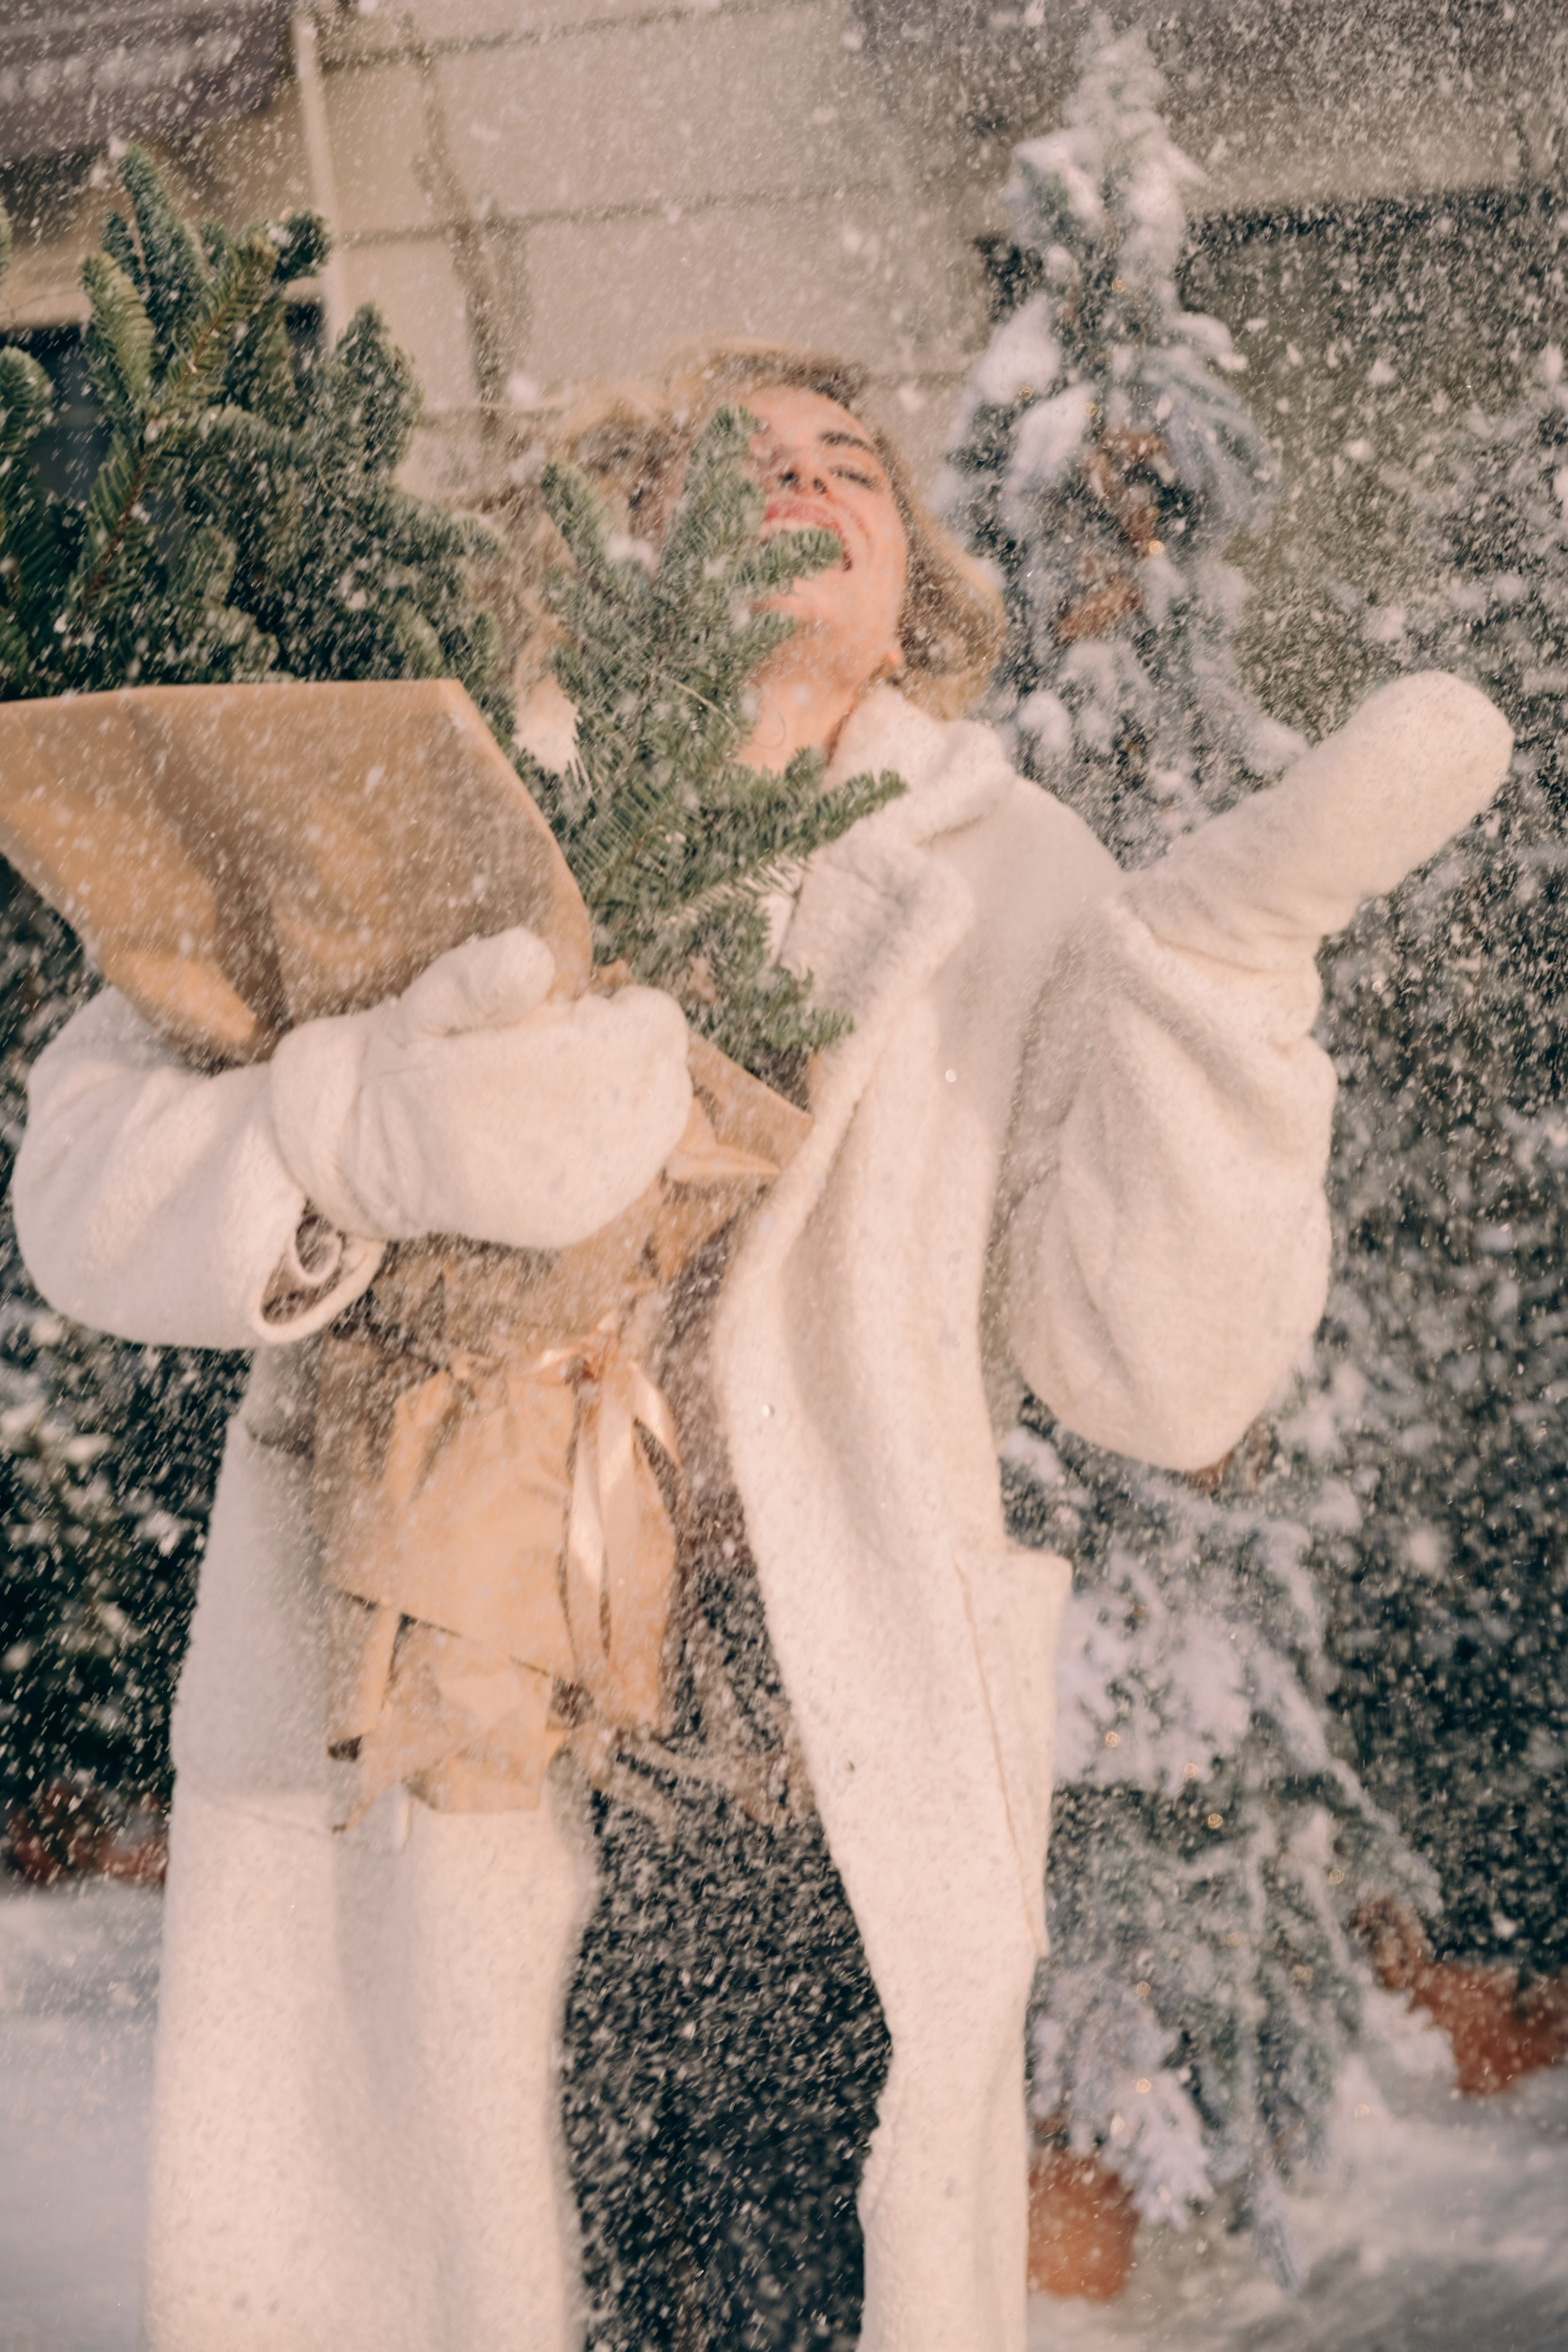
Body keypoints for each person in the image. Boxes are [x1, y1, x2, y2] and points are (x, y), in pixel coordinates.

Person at [12, 342, 1510, 2352]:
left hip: (816, 1769)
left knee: (796, 2294)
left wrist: (1222, 1000)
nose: (804, 484)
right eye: (732, 465)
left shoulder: (1013, 885)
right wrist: (354, 1126)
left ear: (916, 587)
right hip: (435, 1734)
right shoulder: (417, 793)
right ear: (618, 549)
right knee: (444, 2269)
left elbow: (1167, 1373)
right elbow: (86, 1177)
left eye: (853, 470)